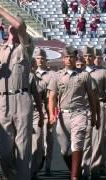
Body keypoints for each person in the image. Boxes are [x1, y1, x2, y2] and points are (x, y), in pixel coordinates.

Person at [0, 0, 35, 179]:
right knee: (2, 151)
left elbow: (19, 25)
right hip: (2, 101)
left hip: (21, 100)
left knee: (23, 149)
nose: (12, 27)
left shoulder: (26, 47)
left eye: (13, 24)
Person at [48, 45, 99, 180]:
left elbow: (92, 97)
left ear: (76, 58)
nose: (69, 59)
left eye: (71, 57)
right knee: (64, 150)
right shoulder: (57, 76)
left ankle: (74, 176)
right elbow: (52, 97)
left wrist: (94, 115)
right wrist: (52, 114)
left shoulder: (84, 75)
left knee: (77, 143)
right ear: (63, 60)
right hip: (63, 115)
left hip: (80, 114)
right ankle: (75, 170)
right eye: (66, 57)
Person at [83, 46, 106, 179]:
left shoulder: (103, 72)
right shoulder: (79, 72)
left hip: (99, 106)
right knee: (84, 138)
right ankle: (85, 165)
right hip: (82, 108)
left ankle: (95, 166)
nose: (88, 58)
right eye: (85, 56)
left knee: (98, 138)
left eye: (90, 56)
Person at [32, 48, 56, 176]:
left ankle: (48, 165)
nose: (39, 60)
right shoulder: (30, 74)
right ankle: (37, 163)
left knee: (49, 139)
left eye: (42, 58)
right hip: (35, 111)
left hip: (47, 110)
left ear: (46, 60)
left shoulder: (51, 74)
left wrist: (52, 112)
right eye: (37, 58)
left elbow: (52, 96)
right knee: (37, 140)